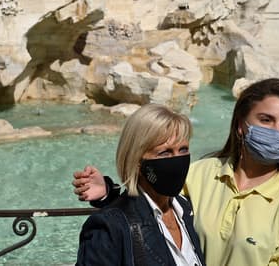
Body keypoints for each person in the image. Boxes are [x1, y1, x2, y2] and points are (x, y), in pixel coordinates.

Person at [73, 78, 279, 266]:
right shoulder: (198, 174)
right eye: (266, 120)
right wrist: (111, 194)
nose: (277, 132)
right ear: (241, 125)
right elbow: (150, 206)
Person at [77, 104, 206, 265]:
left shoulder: (185, 209)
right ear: (137, 160)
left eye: (183, 149)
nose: (177, 160)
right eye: (164, 152)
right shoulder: (108, 228)